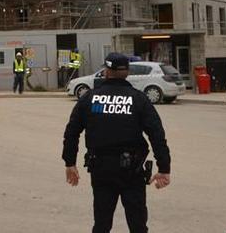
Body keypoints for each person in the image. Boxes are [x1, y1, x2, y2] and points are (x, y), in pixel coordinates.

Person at [62, 52, 172, 233]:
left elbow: (72, 132)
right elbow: (157, 134)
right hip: (132, 170)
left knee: (102, 223)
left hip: (101, 169)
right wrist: (164, 168)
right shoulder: (138, 99)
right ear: (127, 72)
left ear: (106, 71)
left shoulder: (89, 98)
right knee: (137, 225)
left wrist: (70, 163)